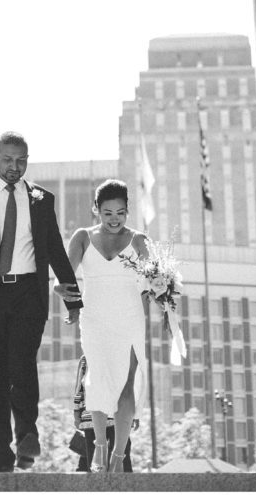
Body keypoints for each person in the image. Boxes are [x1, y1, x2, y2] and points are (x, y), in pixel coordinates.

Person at [0, 132, 83, 472]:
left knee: (22, 366)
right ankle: (2, 456)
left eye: (21, 160)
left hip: (27, 295)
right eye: (7, 160)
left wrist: (73, 298)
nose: (14, 166)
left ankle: (27, 437)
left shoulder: (41, 199)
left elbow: (53, 247)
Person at [65, 180, 148, 473]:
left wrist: (165, 295)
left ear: (128, 211)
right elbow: (64, 278)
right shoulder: (83, 237)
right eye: (108, 212)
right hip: (95, 317)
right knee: (97, 379)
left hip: (130, 318)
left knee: (127, 384)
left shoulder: (140, 240)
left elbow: (152, 283)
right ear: (96, 209)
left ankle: (119, 454)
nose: (114, 219)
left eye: (121, 213)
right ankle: (100, 444)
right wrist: (68, 300)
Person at [72, 355, 133, 472]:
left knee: (96, 462)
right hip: (112, 417)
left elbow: (79, 387)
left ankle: (101, 486)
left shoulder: (89, 355)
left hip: (95, 418)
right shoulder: (119, 354)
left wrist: (77, 413)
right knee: (120, 460)